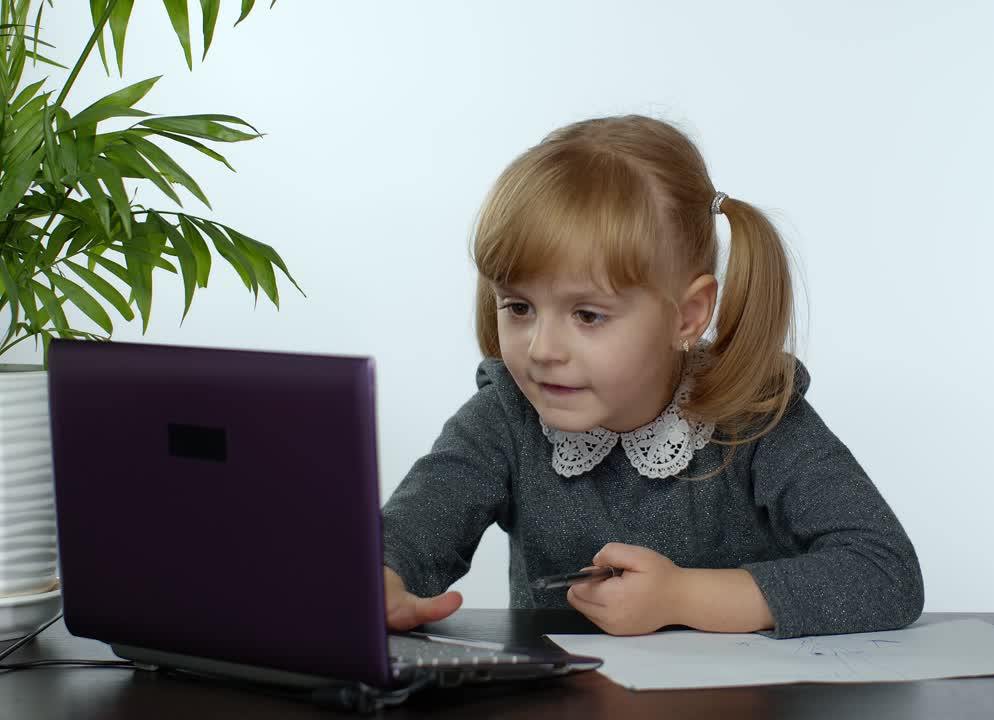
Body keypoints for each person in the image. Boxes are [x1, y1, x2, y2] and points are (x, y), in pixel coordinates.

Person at [381, 115, 923, 638]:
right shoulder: (505, 418)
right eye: (519, 307)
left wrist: (681, 597)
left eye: (588, 315)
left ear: (686, 315)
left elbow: (884, 571)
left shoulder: (756, 420)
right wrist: (381, 579)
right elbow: (411, 529)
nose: (542, 350)